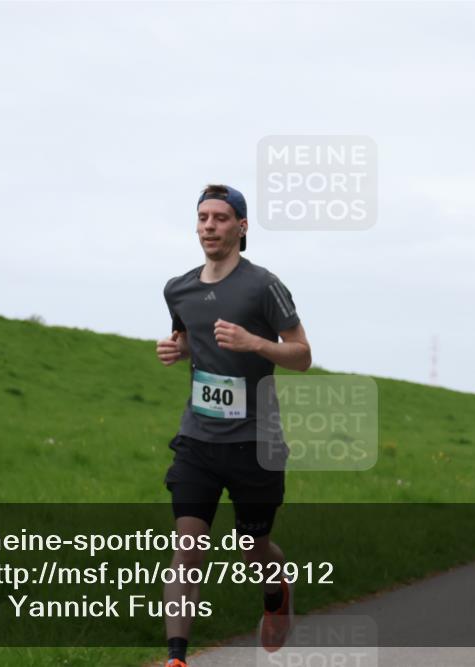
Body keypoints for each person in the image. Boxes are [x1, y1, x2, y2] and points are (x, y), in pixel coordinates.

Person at [157, 184, 312, 666]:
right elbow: (191, 339)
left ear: (242, 227)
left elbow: (303, 355)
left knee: (254, 547)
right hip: (198, 439)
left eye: (221, 218)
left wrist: (255, 343)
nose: (209, 226)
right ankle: (177, 657)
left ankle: (276, 595)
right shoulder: (178, 288)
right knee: (187, 546)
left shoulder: (263, 285)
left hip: (254, 443)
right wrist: (176, 349)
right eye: (203, 217)